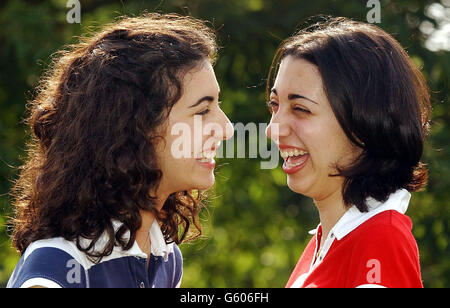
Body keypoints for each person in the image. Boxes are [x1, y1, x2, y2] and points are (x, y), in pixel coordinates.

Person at [7, 13, 233, 288]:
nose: (226, 128)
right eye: (202, 110)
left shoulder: (165, 256)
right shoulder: (55, 270)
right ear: (135, 127)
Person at [265, 17, 431, 288]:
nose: (273, 130)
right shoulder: (329, 241)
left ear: (364, 124)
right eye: (275, 105)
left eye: (300, 109)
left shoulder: (380, 241)